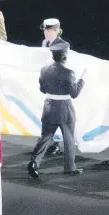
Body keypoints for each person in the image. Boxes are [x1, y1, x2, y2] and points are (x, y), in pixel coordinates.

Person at [28, 40, 86, 179]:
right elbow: (75, 94)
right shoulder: (69, 73)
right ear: (65, 55)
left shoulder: (44, 70)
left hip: (49, 107)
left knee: (45, 137)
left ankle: (34, 162)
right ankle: (70, 168)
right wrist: (82, 80)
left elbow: (42, 89)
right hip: (65, 110)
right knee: (69, 139)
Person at [39, 18, 67, 155]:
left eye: (49, 30)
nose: (46, 33)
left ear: (56, 31)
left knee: (56, 117)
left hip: (57, 85)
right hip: (46, 82)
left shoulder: (63, 44)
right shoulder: (44, 43)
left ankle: (56, 143)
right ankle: (50, 142)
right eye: (45, 30)